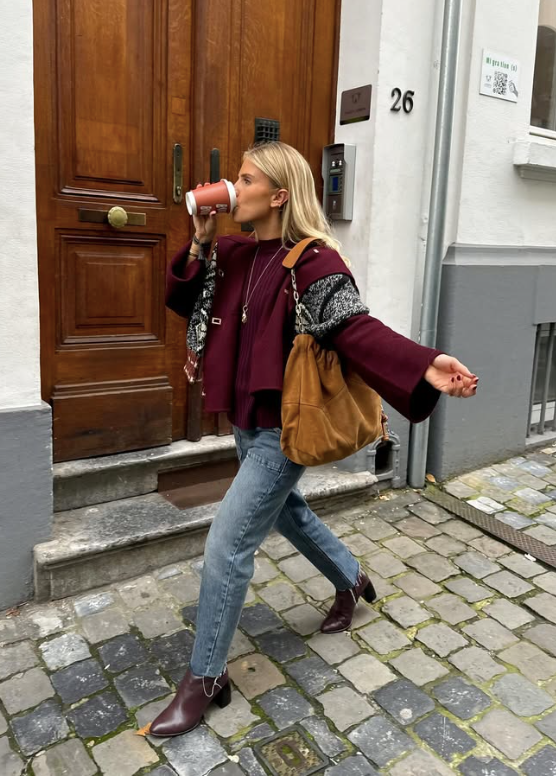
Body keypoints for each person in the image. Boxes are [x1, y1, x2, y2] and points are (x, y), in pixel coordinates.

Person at [143, 141, 477, 738]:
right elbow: (183, 298)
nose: (232, 186)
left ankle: (205, 679)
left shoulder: (316, 262)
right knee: (287, 515)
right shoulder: (236, 253)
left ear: (278, 195)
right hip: (245, 418)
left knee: (227, 545)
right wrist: (197, 237)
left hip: (284, 428)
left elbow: (355, 327)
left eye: (245, 180)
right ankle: (352, 579)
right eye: (235, 179)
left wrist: (424, 363)